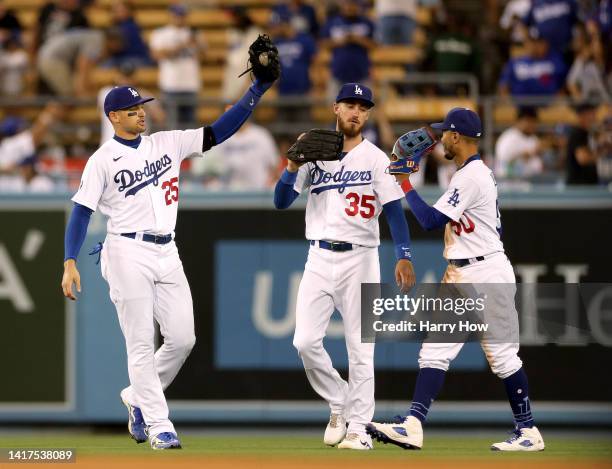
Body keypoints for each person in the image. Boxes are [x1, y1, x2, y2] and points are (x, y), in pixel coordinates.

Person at [60, 55, 278, 449]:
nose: (140, 114)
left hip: (166, 249)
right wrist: (69, 260)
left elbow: (219, 131)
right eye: (131, 110)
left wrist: (256, 90)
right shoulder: (101, 160)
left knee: (182, 338)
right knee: (141, 341)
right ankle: (161, 425)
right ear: (112, 117)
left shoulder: (168, 142)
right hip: (126, 250)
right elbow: (80, 211)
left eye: (141, 107)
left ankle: (138, 396)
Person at [367, 108, 545, 452]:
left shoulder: (472, 176)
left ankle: (528, 431)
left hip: (484, 273)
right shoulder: (471, 173)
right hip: (466, 269)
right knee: (434, 351)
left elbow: (430, 220)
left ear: (456, 137)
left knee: (503, 358)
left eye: (444, 134)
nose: (438, 140)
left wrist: (404, 182)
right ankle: (413, 425)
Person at [273, 83, 416, 450]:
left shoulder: (376, 159)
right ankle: (340, 400)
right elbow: (281, 201)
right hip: (318, 256)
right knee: (304, 341)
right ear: (336, 108)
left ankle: (359, 429)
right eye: (350, 104)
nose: (357, 111)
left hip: (362, 258)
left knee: (361, 348)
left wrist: (404, 254)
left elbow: (395, 211)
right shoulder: (315, 149)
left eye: (363, 107)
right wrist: (292, 165)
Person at [192, 110, 279, 190]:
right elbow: (210, 166)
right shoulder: (221, 135)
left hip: (257, 191)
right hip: (229, 194)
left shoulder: (261, 135)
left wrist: (267, 187)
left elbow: (274, 165)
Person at [149, 4, 205, 128]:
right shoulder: (161, 33)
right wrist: (182, 45)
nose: (180, 18)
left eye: (183, 15)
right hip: (171, 85)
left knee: (190, 127)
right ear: (171, 15)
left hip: (190, 85)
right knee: (172, 126)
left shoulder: (194, 32)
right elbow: (157, 55)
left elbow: (203, 56)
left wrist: (198, 45)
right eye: (178, 15)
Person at [97, 62, 165, 145]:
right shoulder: (106, 92)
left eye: (129, 77)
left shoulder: (144, 94)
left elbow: (160, 117)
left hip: (139, 146)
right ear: (117, 77)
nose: (126, 80)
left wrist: (146, 107)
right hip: (112, 144)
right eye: (124, 77)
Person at [320, 1, 376, 101]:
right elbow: (323, 44)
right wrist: (341, 41)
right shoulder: (333, 22)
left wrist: (357, 39)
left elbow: (375, 45)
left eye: (353, 4)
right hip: (338, 75)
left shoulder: (366, 22)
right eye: (348, 4)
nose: (350, 7)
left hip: (361, 75)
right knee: (336, 111)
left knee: (363, 110)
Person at [498, 29, 566, 99]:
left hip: (548, 104)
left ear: (546, 43)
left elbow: (561, 86)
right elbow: (504, 85)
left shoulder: (555, 61)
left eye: (539, 42)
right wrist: (507, 103)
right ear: (526, 43)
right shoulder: (514, 62)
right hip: (520, 105)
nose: (535, 46)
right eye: (532, 42)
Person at [494, 106, 543, 179]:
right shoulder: (508, 137)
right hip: (507, 183)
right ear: (519, 121)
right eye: (528, 121)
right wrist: (524, 155)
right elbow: (503, 160)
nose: (531, 125)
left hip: (528, 182)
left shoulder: (534, 139)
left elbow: (536, 165)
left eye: (534, 121)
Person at [566, 102, 600, 184]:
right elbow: (583, 159)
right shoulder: (578, 133)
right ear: (582, 115)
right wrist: (602, 154)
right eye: (591, 113)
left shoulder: (589, 134)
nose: (594, 117)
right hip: (579, 186)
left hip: (589, 184)